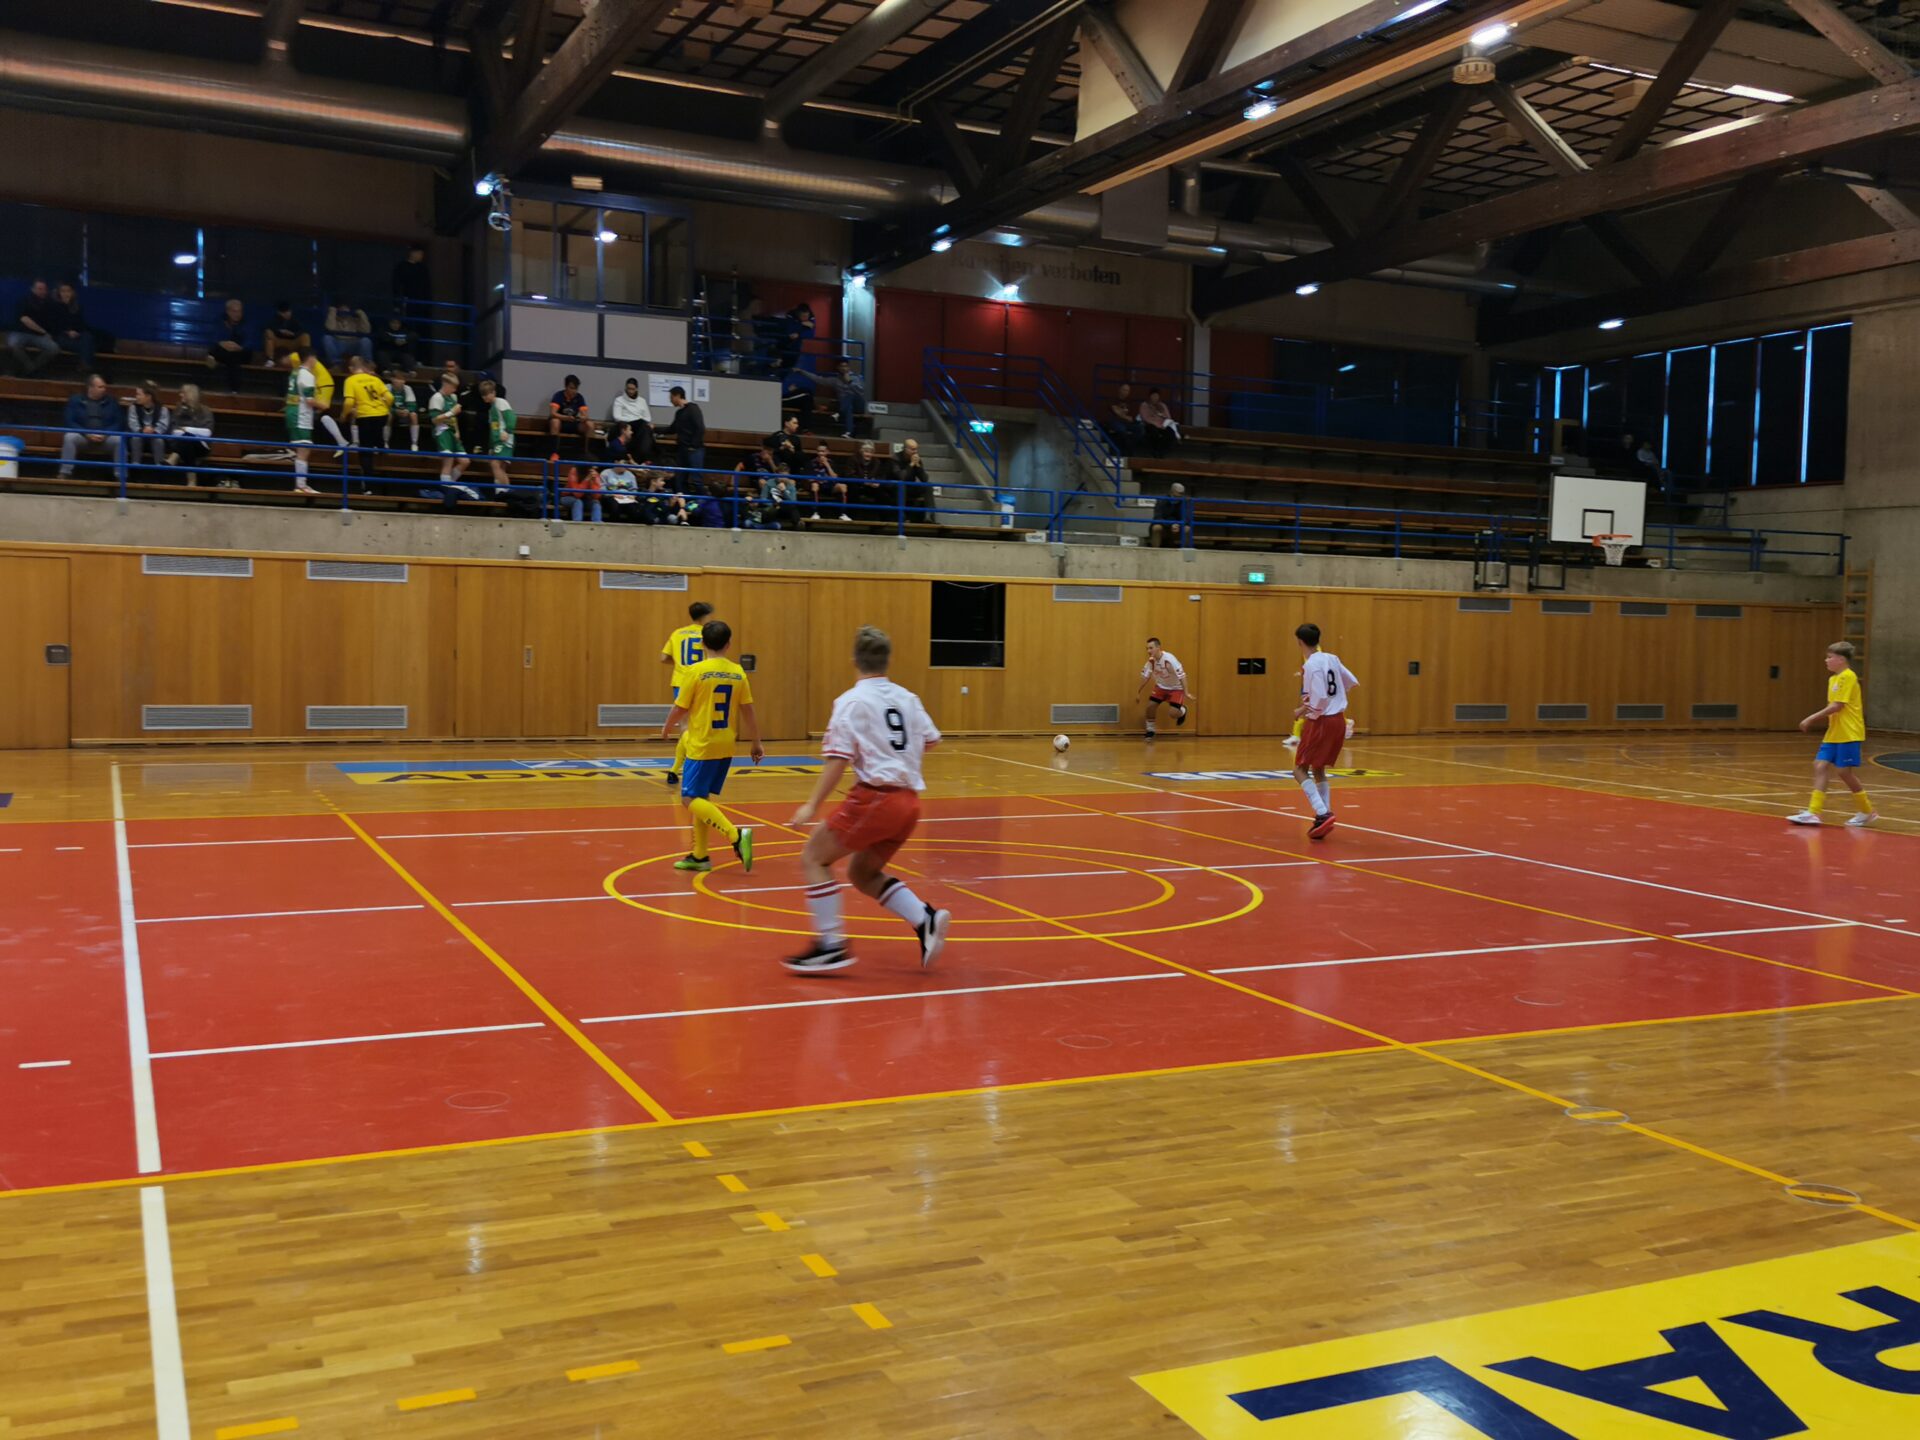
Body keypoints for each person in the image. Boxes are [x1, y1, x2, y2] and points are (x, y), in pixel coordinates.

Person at [783, 625, 952, 975]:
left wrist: (811, 804)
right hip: (909, 803)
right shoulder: (908, 698)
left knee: (813, 857)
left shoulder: (851, 701)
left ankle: (830, 945)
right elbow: (931, 740)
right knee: (862, 873)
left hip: (877, 798)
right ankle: (924, 919)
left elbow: (837, 759)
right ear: (887, 660)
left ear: (854, 660)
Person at [659, 617, 764, 874]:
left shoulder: (695, 671)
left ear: (702, 644)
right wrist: (756, 742)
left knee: (688, 798)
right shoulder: (737, 672)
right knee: (701, 797)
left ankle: (735, 835)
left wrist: (667, 726)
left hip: (702, 745)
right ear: (729, 644)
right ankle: (700, 856)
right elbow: (748, 710)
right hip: (725, 745)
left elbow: (680, 707)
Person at [1788, 641, 1876, 827]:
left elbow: (1837, 706)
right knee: (1820, 766)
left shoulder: (1848, 677)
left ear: (1841, 659)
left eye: (1830, 657)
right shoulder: (1833, 679)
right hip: (1834, 732)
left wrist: (1810, 718)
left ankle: (1867, 811)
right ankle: (1814, 812)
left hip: (1849, 732)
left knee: (1844, 772)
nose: (1826, 660)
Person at [1292, 622, 1360, 840]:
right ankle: (1324, 814)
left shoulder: (1310, 665)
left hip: (1321, 721)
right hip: (1339, 719)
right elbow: (1352, 681)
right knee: (1318, 768)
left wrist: (1303, 710)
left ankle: (1322, 812)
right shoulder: (1332, 658)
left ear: (1299, 641)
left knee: (1299, 769)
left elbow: (1320, 697)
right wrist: (1336, 698)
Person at [660, 601, 714, 786]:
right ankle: (683, 769)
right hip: (701, 681)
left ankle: (675, 770)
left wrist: (679, 664)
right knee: (697, 727)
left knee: (685, 727)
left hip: (680, 682)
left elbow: (663, 657)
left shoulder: (677, 633)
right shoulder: (708, 633)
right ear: (705, 616)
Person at [57, 373, 124, 480]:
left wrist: (105, 434)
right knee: (69, 437)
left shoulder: (111, 401)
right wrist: (86, 433)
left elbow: (118, 422)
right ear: (90, 388)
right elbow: (69, 421)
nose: (104, 389)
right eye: (100, 387)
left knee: (119, 440)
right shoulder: (75, 400)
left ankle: (120, 476)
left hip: (105, 438)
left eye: (104, 387)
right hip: (83, 437)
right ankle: (65, 472)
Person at [341, 355, 393, 484]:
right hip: (381, 414)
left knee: (365, 450)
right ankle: (381, 447)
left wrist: (344, 415)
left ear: (351, 368)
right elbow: (390, 397)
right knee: (377, 433)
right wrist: (385, 408)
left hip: (365, 416)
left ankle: (368, 484)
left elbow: (349, 402)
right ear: (364, 367)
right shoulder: (375, 379)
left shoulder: (350, 380)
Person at [427, 371, 472, 498]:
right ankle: (446, 490)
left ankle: (448, 484)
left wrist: (457, 431)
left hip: (452, 431)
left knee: (465, 461)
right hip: (442, 431)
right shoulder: (436, 398)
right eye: (453, 387)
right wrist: (451, 412)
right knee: (449, 460)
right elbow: (435, 420)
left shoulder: (453, 397)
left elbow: (454, 418)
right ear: (446, 384)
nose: (455, 390)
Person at [1137, 637, 1192, 739]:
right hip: (1161, 687)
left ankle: (1183, 710)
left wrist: (1186, 692)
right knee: (1150, 707)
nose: (1148, 651)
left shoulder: (1170, 659)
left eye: (1151, 648)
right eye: (1147, 648)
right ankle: (1150, 731)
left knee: (1173, 714)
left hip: (1176, 688)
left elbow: (1182, 676)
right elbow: (1145, 676)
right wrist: (1138, 691)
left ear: (1158, 647)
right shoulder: (1151, 661)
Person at [7, 278, 62, 374]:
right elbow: (25, 319)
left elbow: (54, 320)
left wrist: (49, 334)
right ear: (32, 289)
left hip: (39, 336)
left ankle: (31, 369)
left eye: (44, 289)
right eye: (39, 289)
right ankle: (31, 368)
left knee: (54, 348)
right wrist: (43, 331)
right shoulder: (24, 300)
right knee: (13, 344)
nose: (43, 291)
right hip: (21, 333)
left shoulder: (49, 303)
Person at [283, 352, 320, 494]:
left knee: (302, 449)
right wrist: (323, 405)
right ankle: (301, 485)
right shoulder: (307, 375)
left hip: (293, 412)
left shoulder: (295, 372)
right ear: (311, 358)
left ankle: (300, 485)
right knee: (304, 449)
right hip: (301, 415)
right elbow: (310, 400)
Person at [166, 382, 216, 486]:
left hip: (201, 445)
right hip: (182, 444)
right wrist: (193, 432)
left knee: (188, 437)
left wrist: (187, 429)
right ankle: (191, 479)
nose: (180, 395)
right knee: (187, 441)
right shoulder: (179, 410)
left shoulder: (205, 411)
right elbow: (174, 431)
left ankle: (175, 456)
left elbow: (207, 432)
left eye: (183, 393)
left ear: (190, 394)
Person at [123, 381, 171, 477]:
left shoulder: (162, 409)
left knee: (159, 441)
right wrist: (141, 431)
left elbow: (163, 425)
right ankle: (135, 469)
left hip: (154, 436)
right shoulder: (133, 408)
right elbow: (132, 423)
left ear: (148, 396)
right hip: (139, 435)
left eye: (139, 394)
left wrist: (154, 431)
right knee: (135, 438)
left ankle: (160, 470)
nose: (136, 397)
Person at [49, 284, 98, 371]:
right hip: (60, 336)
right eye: (63, 291)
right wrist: (67, 332)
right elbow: (53, 326)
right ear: (59, 293)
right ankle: (85, 364)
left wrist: (76, 332)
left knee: (88, 337)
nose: (66, 294)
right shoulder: (53, 306)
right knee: (88, 346)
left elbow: (80, 325)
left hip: (75, 335)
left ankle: (84, 364)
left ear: (72, 292)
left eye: (68, 291)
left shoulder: (77, 306)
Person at [206, 299, 251, 390]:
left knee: (231, 356)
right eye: (234, 311)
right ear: (228, 311)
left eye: (239, 311)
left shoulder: (247, 323)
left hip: (241, 352)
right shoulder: (219, 322)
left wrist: (240, 347)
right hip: (226, 352)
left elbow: (251, 341)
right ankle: (234, 390)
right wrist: (223, 343)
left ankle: (211, 356)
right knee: (228, 356)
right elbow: (214, 338)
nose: (237, 314)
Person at [548, 374, 597, 457]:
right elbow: (553, 413)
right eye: (571, 388)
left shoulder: (579, 397)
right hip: (561, 422)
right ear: (566, 387)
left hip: (573, 422)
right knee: (555, 422)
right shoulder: (558, 396)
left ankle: (589, 454)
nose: (574, 391)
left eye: (576, 388)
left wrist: (582, 418)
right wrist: (565, 418)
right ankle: (554, 453)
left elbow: (585, 415)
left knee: (590, 424)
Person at [805, 441, 851, 520]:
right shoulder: (811, 462)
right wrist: (816, 479)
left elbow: (835, 478)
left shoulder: (831, 462)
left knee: (842, 486)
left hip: (830, 485)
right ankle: (815, 512)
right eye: (819, 451)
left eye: (823, 451)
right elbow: (808, 478)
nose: (820, 453)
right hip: (818, 485)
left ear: (827, 452)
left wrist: (827, 465)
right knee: (814, 485)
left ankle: (843, 513)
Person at [667, 384, 705, 478]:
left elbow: (700, 427)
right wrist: (655, 429)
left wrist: (693, 446)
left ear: (678, 396)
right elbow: (672, 429)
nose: (670, 400)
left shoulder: (693, 409)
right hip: (682, 449)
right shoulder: (679, 413)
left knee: (696, 479)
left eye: (671, 397)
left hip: (693, 450)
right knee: (680, 477)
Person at [321, 298, 373, 366]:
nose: (344, 310)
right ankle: (336, 363)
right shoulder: (335, 319)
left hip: (353, 343)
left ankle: (367, 363)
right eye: (342, 308)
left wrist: (362, 314)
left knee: (366, 340)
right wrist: (332, 311)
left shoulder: (355, 320)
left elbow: (366, 330)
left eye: (346, 308)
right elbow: (330, 328)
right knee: (327, 338)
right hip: (338, 343)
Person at [894, 437, 933, 521]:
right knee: (901, 485)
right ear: (905, 449)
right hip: (896, 487)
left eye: (916, 449)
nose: (915, 452)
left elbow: (924, 479)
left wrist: (918, 465)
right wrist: (911, 464)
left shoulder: (916, 459)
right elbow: (901, 477)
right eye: (913, 449)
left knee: (928, 486)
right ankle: (901, 515)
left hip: (910, 486)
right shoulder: (895, 458)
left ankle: (929, 515)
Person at [386, 366, 421, 450]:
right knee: (388, 416)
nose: (399, 381)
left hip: (404, 412)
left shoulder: (407, 388)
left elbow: (413, 405)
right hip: (391, 412)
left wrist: (407, 410)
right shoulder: (387, 387)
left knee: (414, 415)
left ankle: (414, 443)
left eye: (401, 379)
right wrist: (394, 411)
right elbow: (383, 405)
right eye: (397, 379)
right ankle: (385, 442)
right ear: (392, 379)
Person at [1138, 387, 1179, 457]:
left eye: (1157, 396)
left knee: (1170, 433)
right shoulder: (1144, 405)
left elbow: (1168, 417)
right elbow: (1145, 418)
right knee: (1153, 432)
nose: (1155, 398)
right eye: (1153, 396)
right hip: (1151, 425)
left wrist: (1164, 422)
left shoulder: (1162, 406)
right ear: (1150, 396)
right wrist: (1156, 424)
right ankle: (1155, 451)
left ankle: (1162, 452)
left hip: (1163, 425)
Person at [1105, 382, 1143, 455]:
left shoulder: (1130, 401)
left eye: (1127, 390)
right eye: (1124, 389)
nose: (1125, 392)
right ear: (1119, 389)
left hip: (1127, 423)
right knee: (1122, 430)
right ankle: (1124, 451)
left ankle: (1129, 448)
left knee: (1140, 429)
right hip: (1115, 421)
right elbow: (1116, 412)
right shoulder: (1113, 399)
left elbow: (1132, 416)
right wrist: (1125, 416)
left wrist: (1124, 415)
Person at [392, 244, 431, 314]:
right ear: (413, 253)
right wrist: (397, 303)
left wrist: (427, 304)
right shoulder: (401, 267)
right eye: (420, 253)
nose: (421, 256)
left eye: (422, 254)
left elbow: (427, 287)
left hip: (421, 303)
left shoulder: (423, 269)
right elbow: (396, 285)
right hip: (406, 301)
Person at [834, 358, 867, 438]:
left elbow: (861, 392)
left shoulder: (856, 377)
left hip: (858, 403)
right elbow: (818, 379)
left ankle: (839, 413)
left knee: (850, 394)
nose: (844, 368)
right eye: (841, 366)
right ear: (838, 368)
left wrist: (849, 382)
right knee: (848, 408)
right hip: (846, 405)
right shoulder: (836, 379)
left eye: (845, 366)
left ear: (849, 367)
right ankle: (848, 432)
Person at [1151, 482, 1187, 548]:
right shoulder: (1161, 501)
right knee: (1156, 528)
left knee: (1187, 529)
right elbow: (1157, 517)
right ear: (1171, 492)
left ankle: (1186, 551)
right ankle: (1155, 550)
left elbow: (1186, 518)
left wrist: (1178, 524)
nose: (1180, 496)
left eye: (1182, 494)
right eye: (1178, 493)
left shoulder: (1184, 502)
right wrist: (1170, 524)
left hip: (1177, 525)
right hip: (1164, 525)